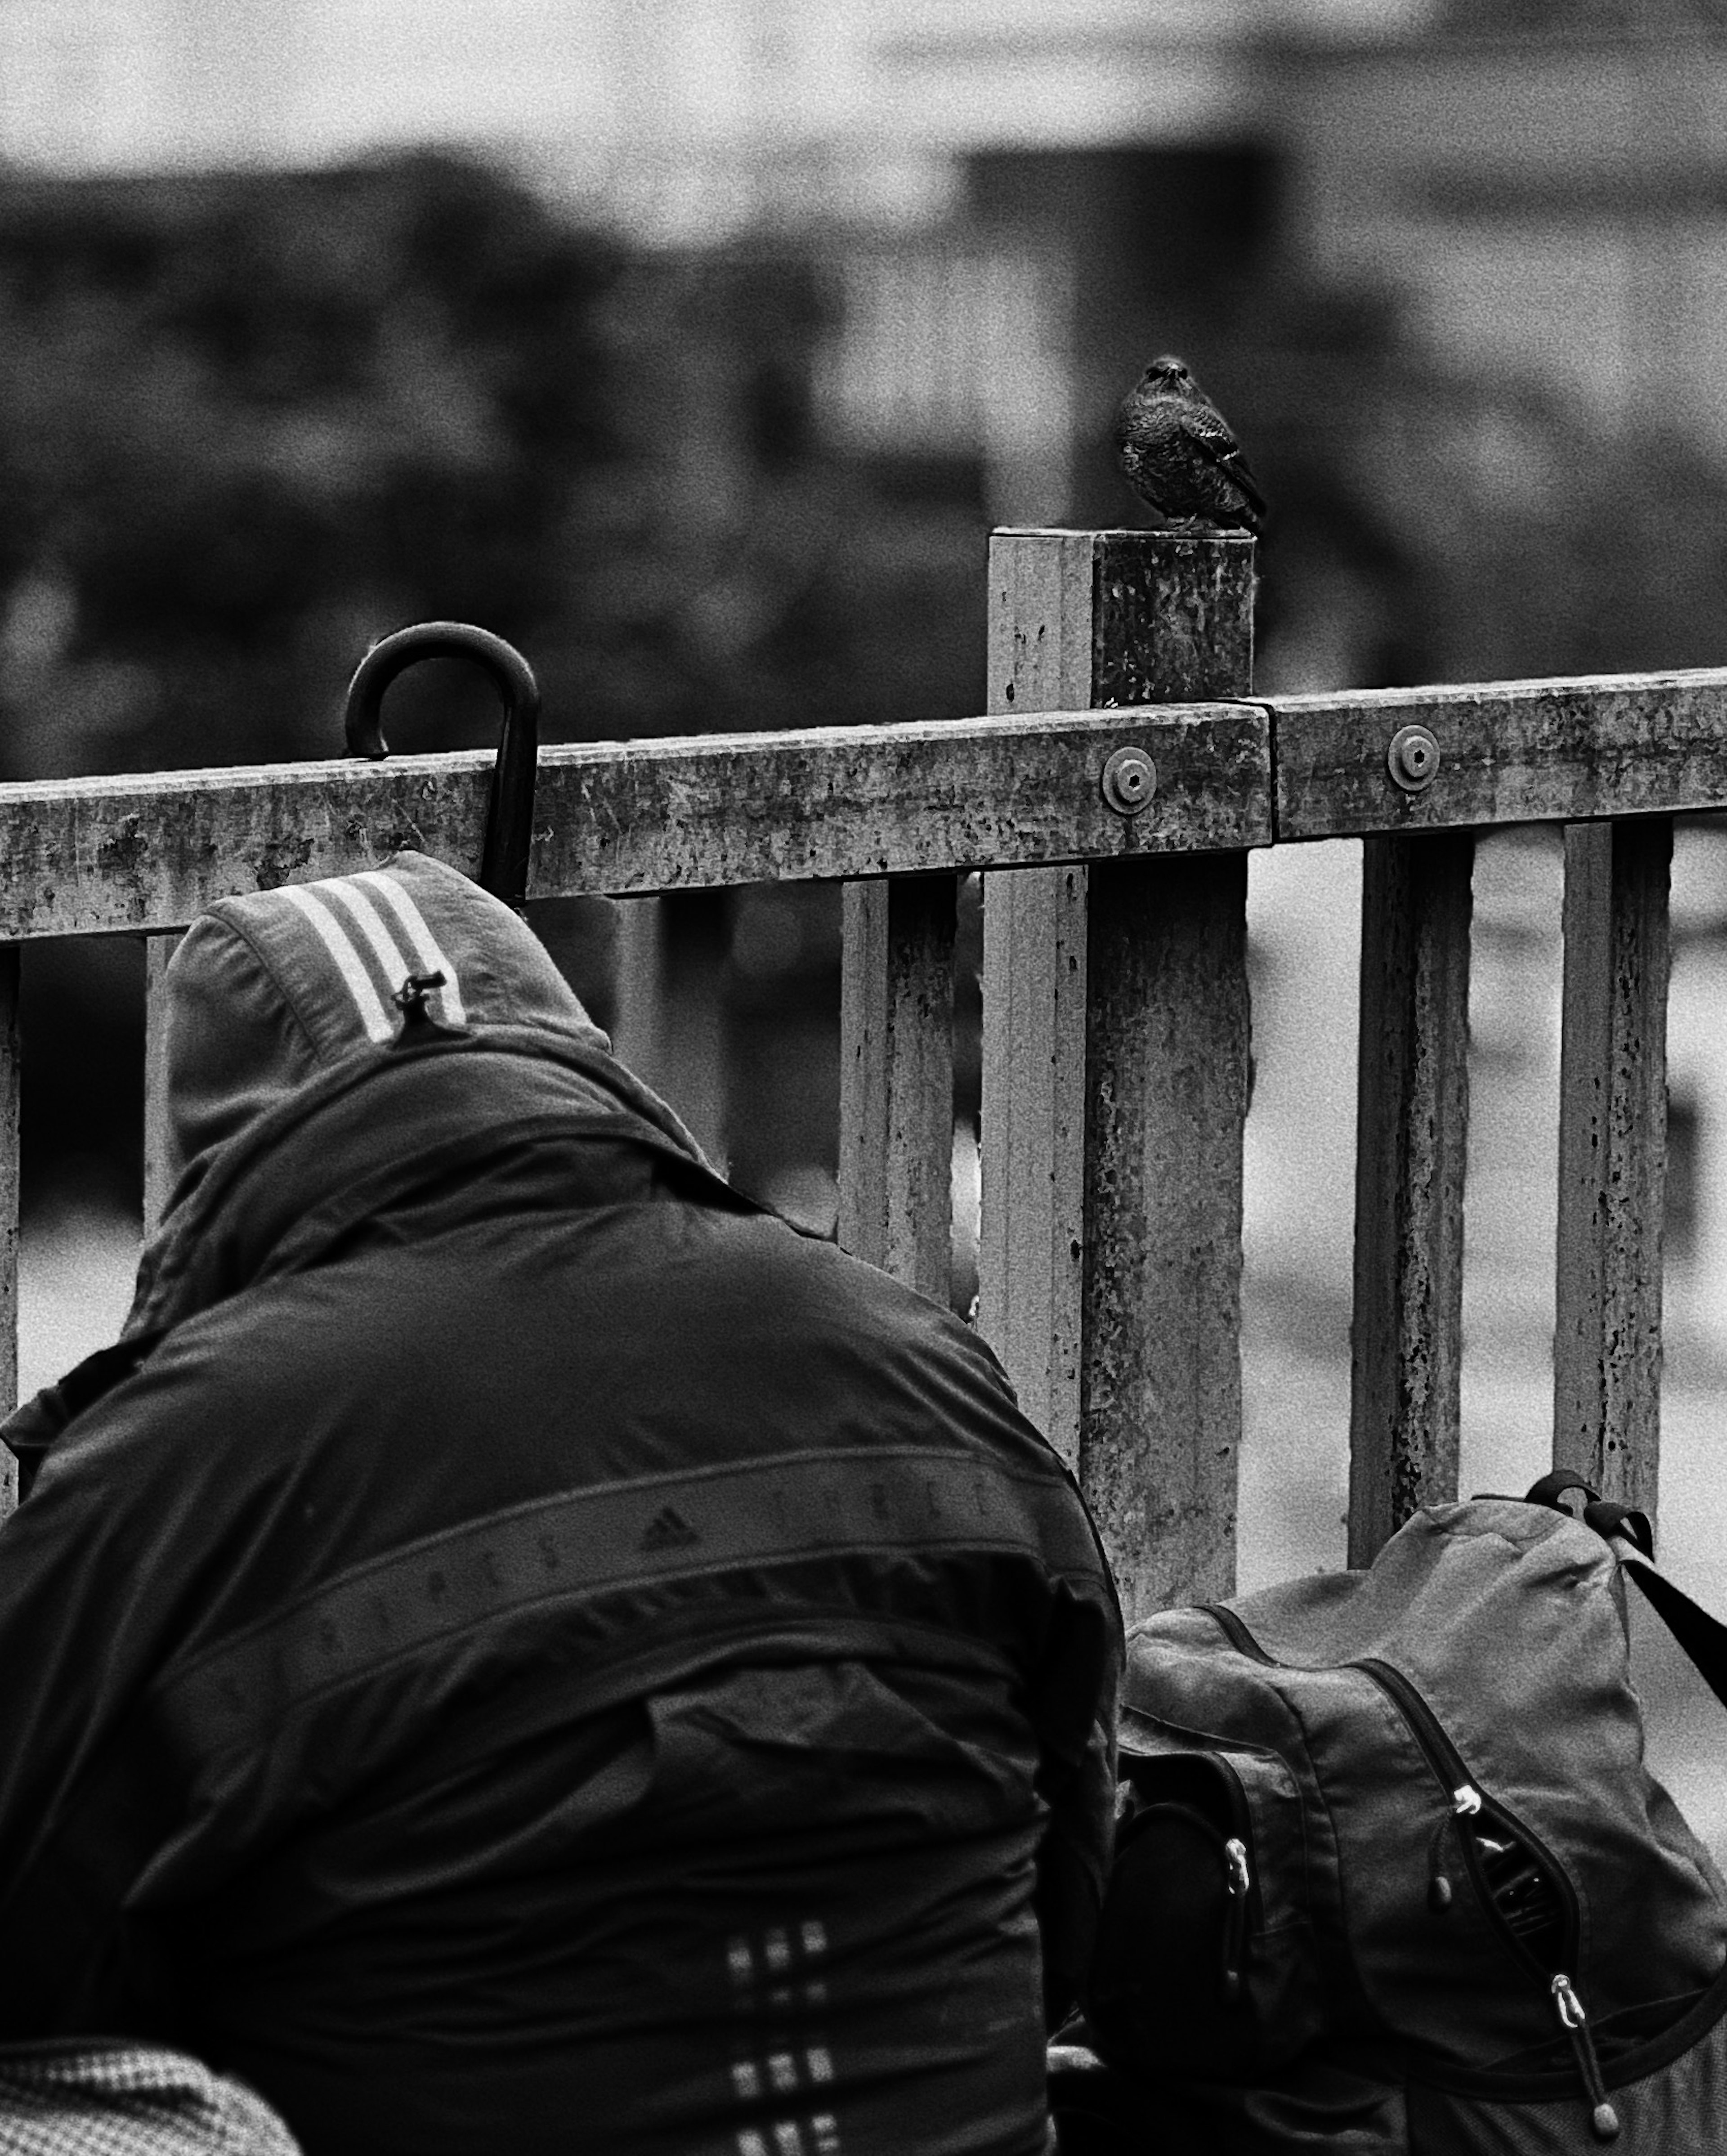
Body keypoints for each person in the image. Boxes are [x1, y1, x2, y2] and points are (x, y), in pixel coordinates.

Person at [0, 851, 1122, 2156]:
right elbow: (1068, 1882)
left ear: (215, 1147)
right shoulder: (915, 1353)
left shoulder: (172, 1465)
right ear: (575, 1054)